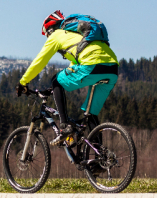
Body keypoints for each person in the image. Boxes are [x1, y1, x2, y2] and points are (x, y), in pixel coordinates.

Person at [17, 11, 119, 146]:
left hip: (91, 64)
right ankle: (99, 158)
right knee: (90, 113)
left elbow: (40, 61)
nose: (47, 38)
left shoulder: (57, 35)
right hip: (112, 68)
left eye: (47, 35)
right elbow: (73, 67)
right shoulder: (78, 36)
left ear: (50, 30)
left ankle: (64, 126)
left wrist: (23, 82)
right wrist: (52, 89)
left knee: (56, 80)